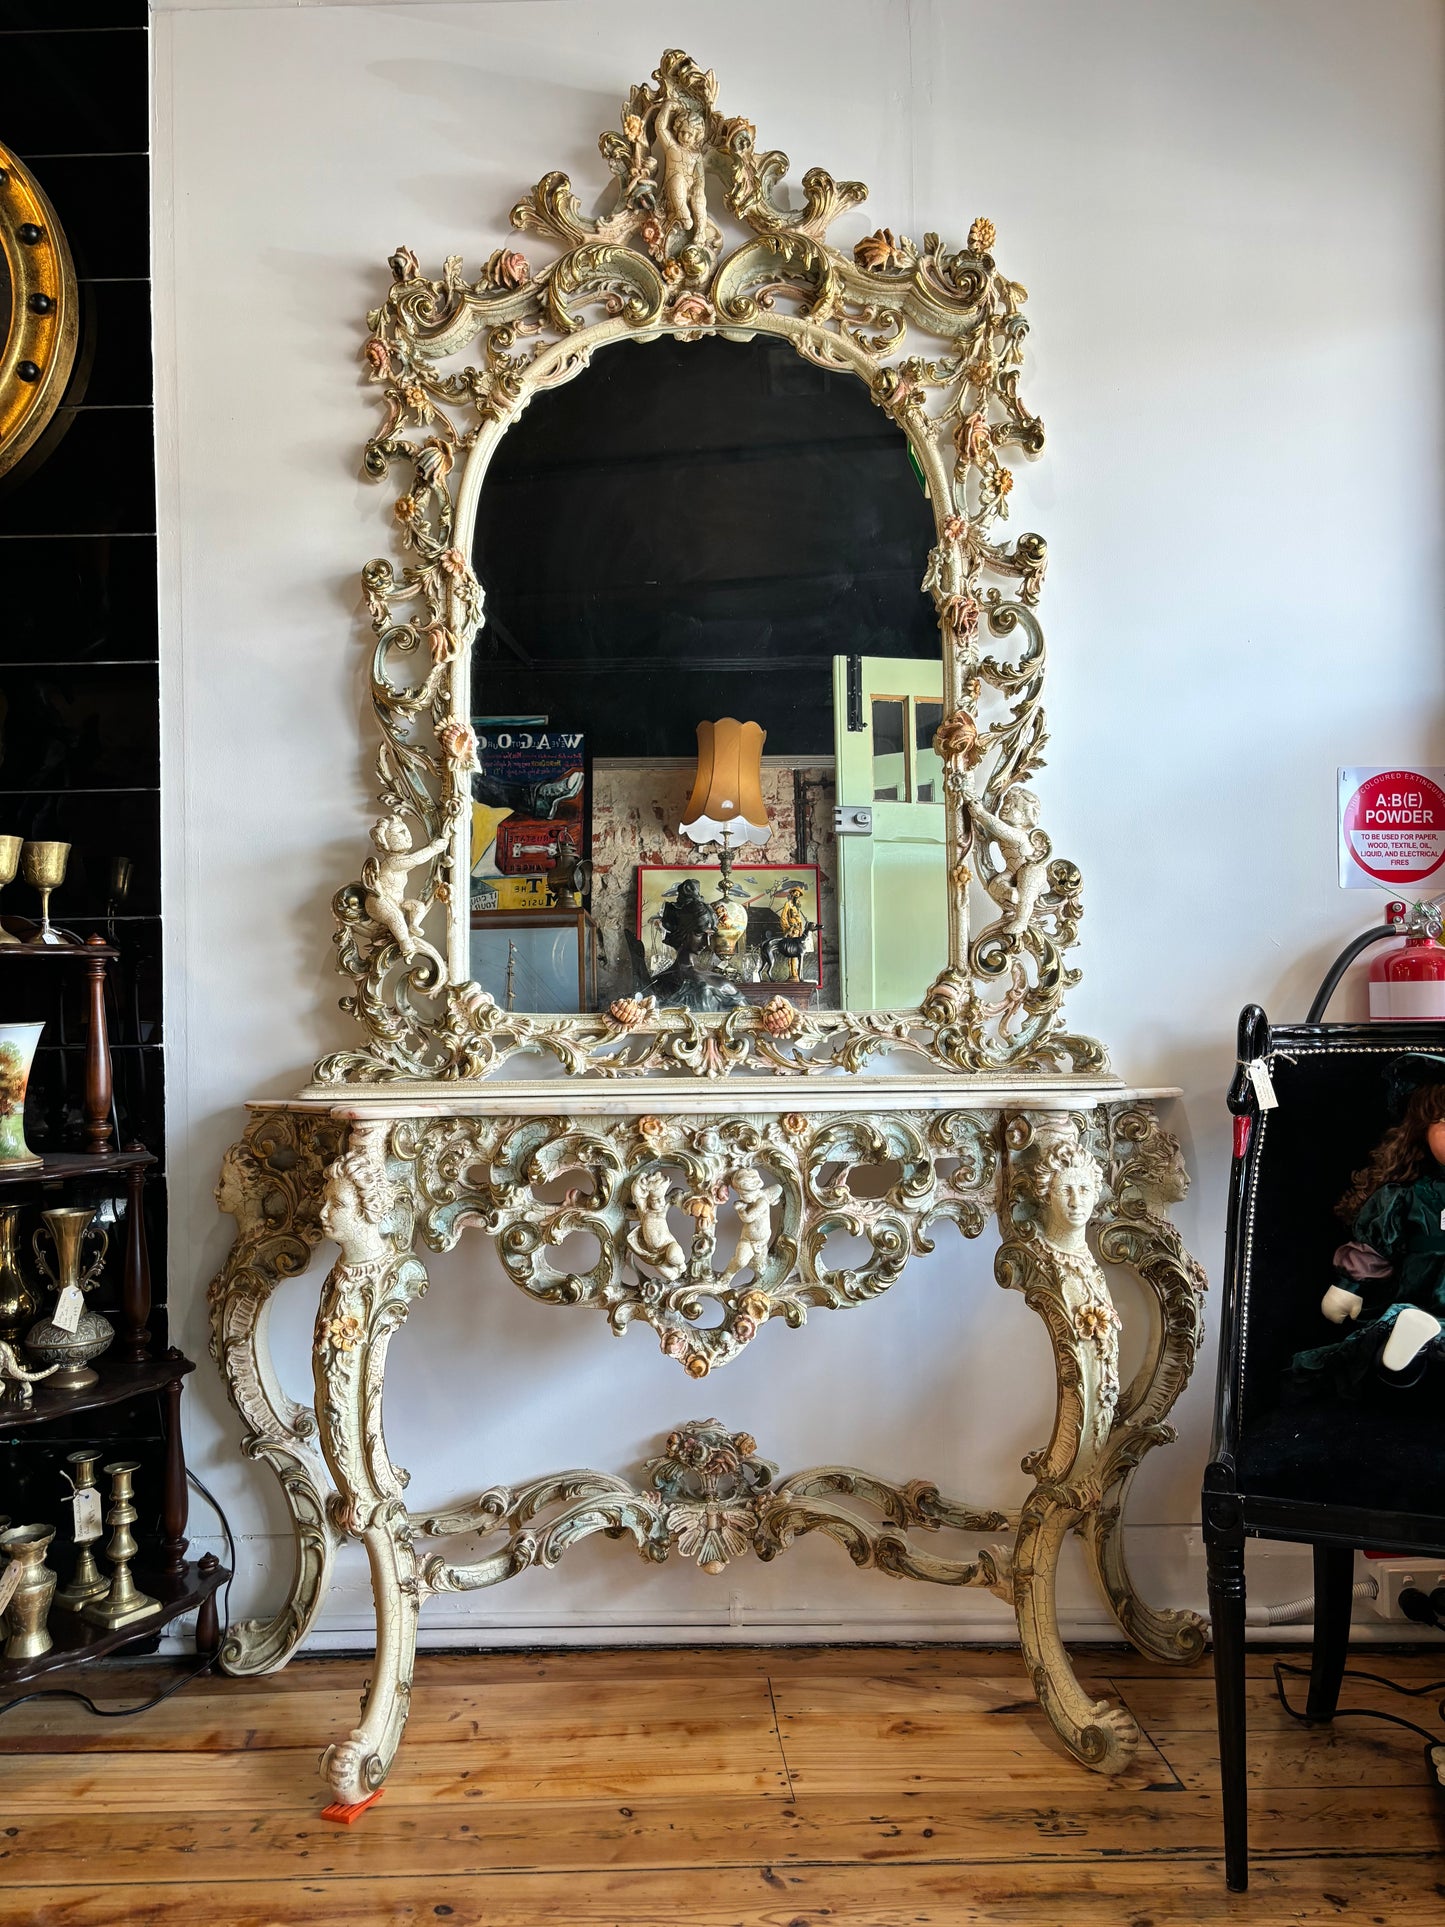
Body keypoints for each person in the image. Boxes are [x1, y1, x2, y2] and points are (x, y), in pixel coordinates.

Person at [1289, 1055, 1445, 1397]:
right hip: (1420, 1298)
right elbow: (1377, 1246)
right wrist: (1349, 1286)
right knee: (1395, 1330)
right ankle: (1406, 1356)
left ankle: (1412, 1352)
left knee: (1419, 1337)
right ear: (1422, 1131)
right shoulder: (1408, 1196)